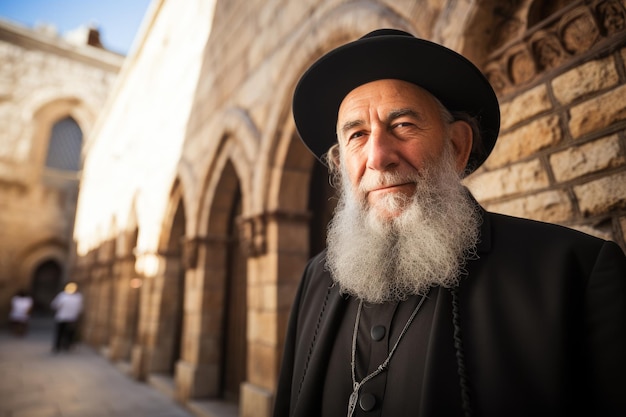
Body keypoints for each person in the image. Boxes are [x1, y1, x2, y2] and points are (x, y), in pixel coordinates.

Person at [273, 29, 626, 417]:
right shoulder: (316, 278)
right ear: (341, 165)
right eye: (357, 135)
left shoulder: (574, 272)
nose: (378, 156)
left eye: (403, 125)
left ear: (457, 146)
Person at [50, 281, 84, 352]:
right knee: (68, 333)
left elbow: (55, 305)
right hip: (71, 318)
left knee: (60, 332)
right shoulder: (78, 297)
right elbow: (80, 309)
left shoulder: (62, 296)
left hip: (62, 317)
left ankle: (58, 346)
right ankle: (66, 345)